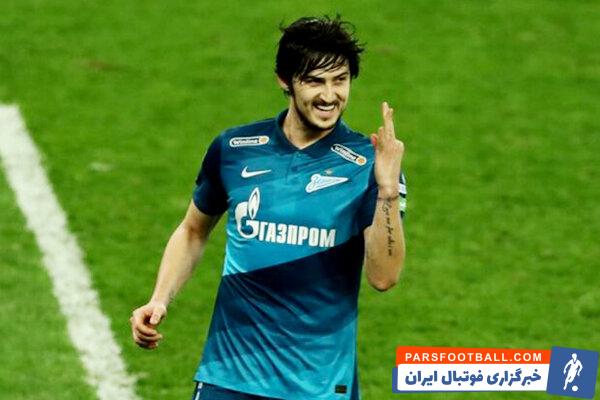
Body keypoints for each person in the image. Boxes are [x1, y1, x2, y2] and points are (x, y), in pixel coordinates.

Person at [130, 15, 407, 400]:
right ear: (284, 80)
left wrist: (387, 190)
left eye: (340, 80)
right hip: (229, 376)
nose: (329, 96)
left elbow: (384, 277)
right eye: (315, 81)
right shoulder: (234, 149)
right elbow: (193, 230)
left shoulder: (368, 163)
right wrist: (159, 298)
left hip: (318, 387)